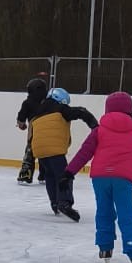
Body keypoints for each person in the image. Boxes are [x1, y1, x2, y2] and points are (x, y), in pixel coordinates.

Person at [67, 89, 132, 263]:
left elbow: (85, 152)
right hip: (122, 179)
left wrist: (69, 172)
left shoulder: (99, 131)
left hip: (100, 178)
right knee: (126, 214)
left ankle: (105, 247)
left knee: (104, 211)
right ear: (131, 111)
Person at [25, 87, 98, 221]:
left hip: (39, 150)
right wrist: (95, 126)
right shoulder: (60, 109)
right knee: (64, 175)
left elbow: (32, 133)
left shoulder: (37, 113)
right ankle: (64, 202)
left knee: (50, 176)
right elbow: (80, 112)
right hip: (54, 150)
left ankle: (55, 203)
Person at [15, 72, 51, 184]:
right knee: (45, 155)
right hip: (48, 133)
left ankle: (25, 176)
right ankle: (44, 176)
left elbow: (21, 120)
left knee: (30, 155)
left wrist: (22, 126)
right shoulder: (49, 102)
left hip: (34, 133)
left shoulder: (27, 103)